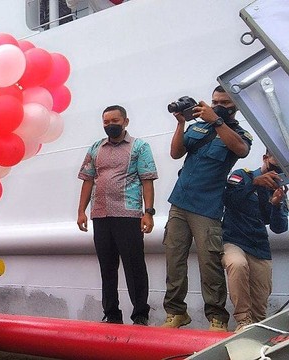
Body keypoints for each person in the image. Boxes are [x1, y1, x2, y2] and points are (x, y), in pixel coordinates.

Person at [162, 85, 253, 331]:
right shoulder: (197, 126)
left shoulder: (239, 133)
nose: (217, 106)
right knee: (174, 259)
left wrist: (217, 122)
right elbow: (175, 153)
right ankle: (176, 312)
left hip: (207, 207)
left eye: (223, 102)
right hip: (179, 202)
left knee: (209, 264)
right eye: (214, 101)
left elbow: (241, 151)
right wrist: (181, 124)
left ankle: (217, 318)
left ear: (235, 106)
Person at [77, 105, 157, 325]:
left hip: (128, 215)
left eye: (114, 121)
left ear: (125, 121)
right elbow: (88, 180)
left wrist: (148, 213)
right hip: (100, 215)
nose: (110, 125)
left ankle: (140, 314)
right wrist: (81, 211)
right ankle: (111, 314)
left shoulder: (140, 147)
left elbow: (147, 180)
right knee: (107, 267)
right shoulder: (95, 148)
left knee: (134, 267)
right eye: (106, 122)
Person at [222, 150, 288, 332]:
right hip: (233, 240)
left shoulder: (279, 190)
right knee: (237, 264)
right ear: (265, 158)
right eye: (275, 161)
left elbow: (279, 228)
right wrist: (253, 183)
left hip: (259, 247)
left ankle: (257, 332)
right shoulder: (242, 176)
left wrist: (276, 205)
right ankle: (243, 321)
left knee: (260, 309)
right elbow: (227, 199)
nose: (277, 169)